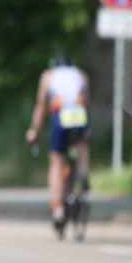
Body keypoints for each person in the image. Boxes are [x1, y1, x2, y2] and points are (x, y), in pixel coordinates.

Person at [26, 55, 90, 233]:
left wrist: (34, 130)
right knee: (82, 148)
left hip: (61, 116)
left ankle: (58, 211)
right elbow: (86, 101)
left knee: (56, 161)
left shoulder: (48, 75)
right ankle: (83, 177)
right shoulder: (81, 75)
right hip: (79, 116)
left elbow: (41, 106)